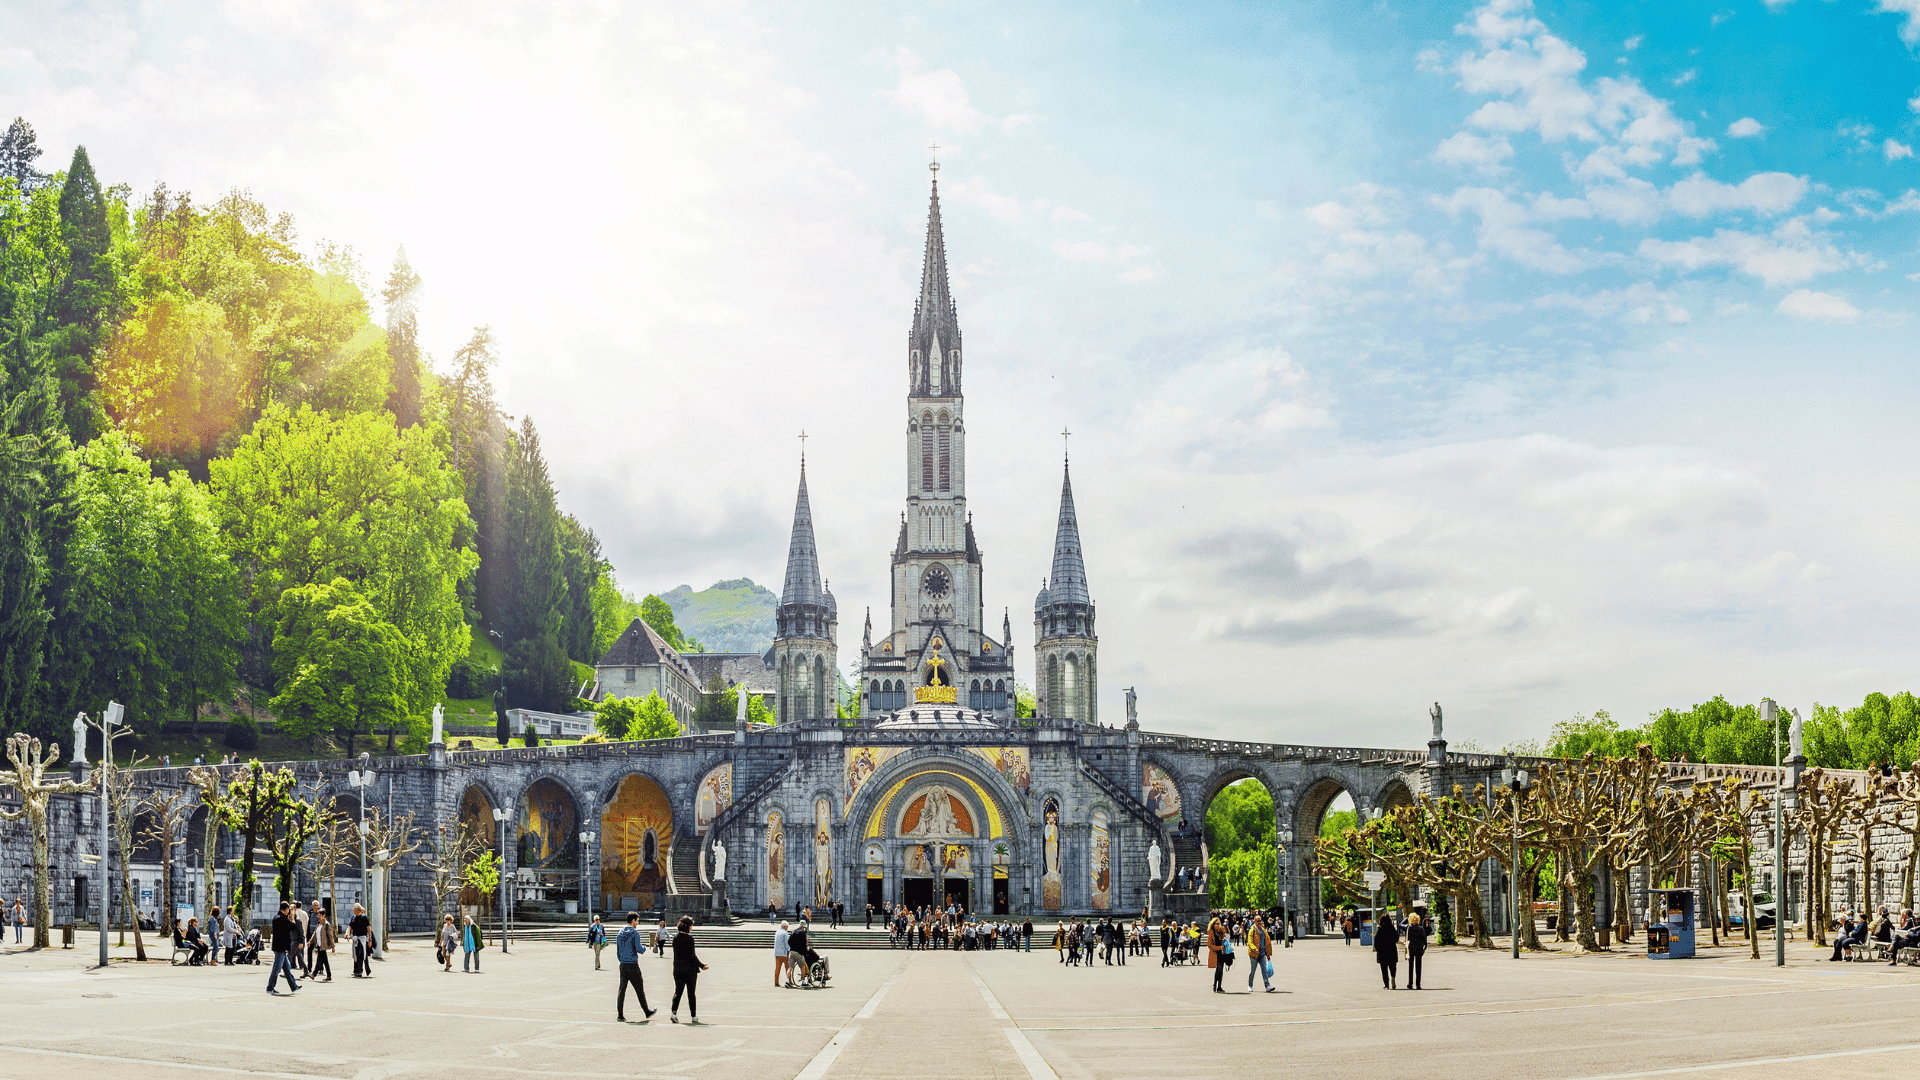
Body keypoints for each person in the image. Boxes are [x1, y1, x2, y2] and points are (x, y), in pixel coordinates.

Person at [614, 912, 656, 1022]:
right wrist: (644, 948)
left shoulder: (620, 933)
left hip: (623, 964)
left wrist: (622, 959)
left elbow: (618, 951)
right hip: (632, 964)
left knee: (622, 989)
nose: (638, 923)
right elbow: (638, 949)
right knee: (639, 988)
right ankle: (646, 1011)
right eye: (637, 920)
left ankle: (620, 1014)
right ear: (633, 921)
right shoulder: (635, 933)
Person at [670, 915, 707, 1025]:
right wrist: (701, 965)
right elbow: (692, 956)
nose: (691, 928)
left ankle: (674, 1013)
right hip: (690, 970)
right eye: (691, 926)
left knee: (678, 991)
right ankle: (693, 1016)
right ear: (687, 927)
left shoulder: (676, 938)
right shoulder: (689, 939)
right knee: (691, 993)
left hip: (677, 969)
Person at [266, 901, 301, 995]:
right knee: (277, 968)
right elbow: (293, 926)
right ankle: (270, 987)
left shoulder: (276, 917)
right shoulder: (281, 919)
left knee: (287, 968)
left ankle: (294, 986)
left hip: (279, 946)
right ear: (285, 910)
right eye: (288, 909)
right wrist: (292, 917)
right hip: (280, 947)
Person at [1374, 912, 1401, 989]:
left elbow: (1376, 941)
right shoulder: (1392, 929)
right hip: (1391, 950)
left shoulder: (1380, 930)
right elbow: (1396, 938)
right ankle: (1393, 976)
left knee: (1384, 969)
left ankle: (1386, 984)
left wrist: (1377, 949)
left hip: (1382, 952)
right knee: (1393, 966)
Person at [1247, 915, 1273, 992]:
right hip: (1254, 954)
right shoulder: (1252, 930)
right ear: (1254, 921)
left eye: (1260, 921)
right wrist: (1255, 949)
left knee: (1264, 970)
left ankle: (1267, 985)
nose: (1259, 922)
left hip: (1262, 953)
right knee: (1253, 970)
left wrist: (1268, 954)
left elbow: (1267, 942)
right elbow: (1250, 942)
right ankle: (1250, 985)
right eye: (1257, 921)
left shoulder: (1263, 930)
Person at [310, 906, 334, 981]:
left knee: (319, 960)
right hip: (319, 944)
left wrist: (333, 946)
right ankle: (329, 975)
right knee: (324, 961)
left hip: (323, 945)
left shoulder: (326, 924)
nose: (318, 917)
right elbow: (315, 933)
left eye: (320, 915)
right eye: (318, 915)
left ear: (324, 915)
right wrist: (310, 941)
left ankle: (314, 974)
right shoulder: (319, 924)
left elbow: (330, 936)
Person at [1405, 912, 1428, 990]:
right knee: (1418, 967)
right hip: (1419, 948)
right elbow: (1424, 939)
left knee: (1410, 967)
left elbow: (1407, 938)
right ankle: (1418, 984)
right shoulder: (1421, 928)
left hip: (1411, 948)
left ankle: (1410, 984)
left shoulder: (1409, 928)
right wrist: (1424, 948)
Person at [349, 903, 372, 978]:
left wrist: (370, 939)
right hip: (355, 938)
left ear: (358, 910)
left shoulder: (364, 918)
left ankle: (359, 971)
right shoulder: (353, 918)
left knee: (361, 955)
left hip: (362, 938)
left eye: (354, 910)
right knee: (355, 955)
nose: (353, 911)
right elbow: (350, 927)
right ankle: (356, 970)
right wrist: (347, 934)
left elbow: (369, 928)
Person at [1207, 914, 1227, 993]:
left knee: (1221, 970)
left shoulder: (1221, 931)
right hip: (1215, 953)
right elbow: (1209, 945)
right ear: (1213, 924)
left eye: (1219, 923)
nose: (1219, 925)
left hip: (1222, 953)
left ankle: (1219, 986)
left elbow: (1224, 939)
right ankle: (1215, 985)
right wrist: (1219, 947)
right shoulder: (1211, 933)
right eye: (1217, 924)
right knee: (1218, 969)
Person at [773, 920, 792, 987]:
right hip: (784, 953)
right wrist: (789, 950)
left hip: (777, 953)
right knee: (787, 967)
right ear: (785, 926)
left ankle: (776, 982)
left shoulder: (777, 932)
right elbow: (786, 943)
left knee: (777, 968)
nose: (787, 928)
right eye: (787, 927)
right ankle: (789, 980)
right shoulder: (785, 933)